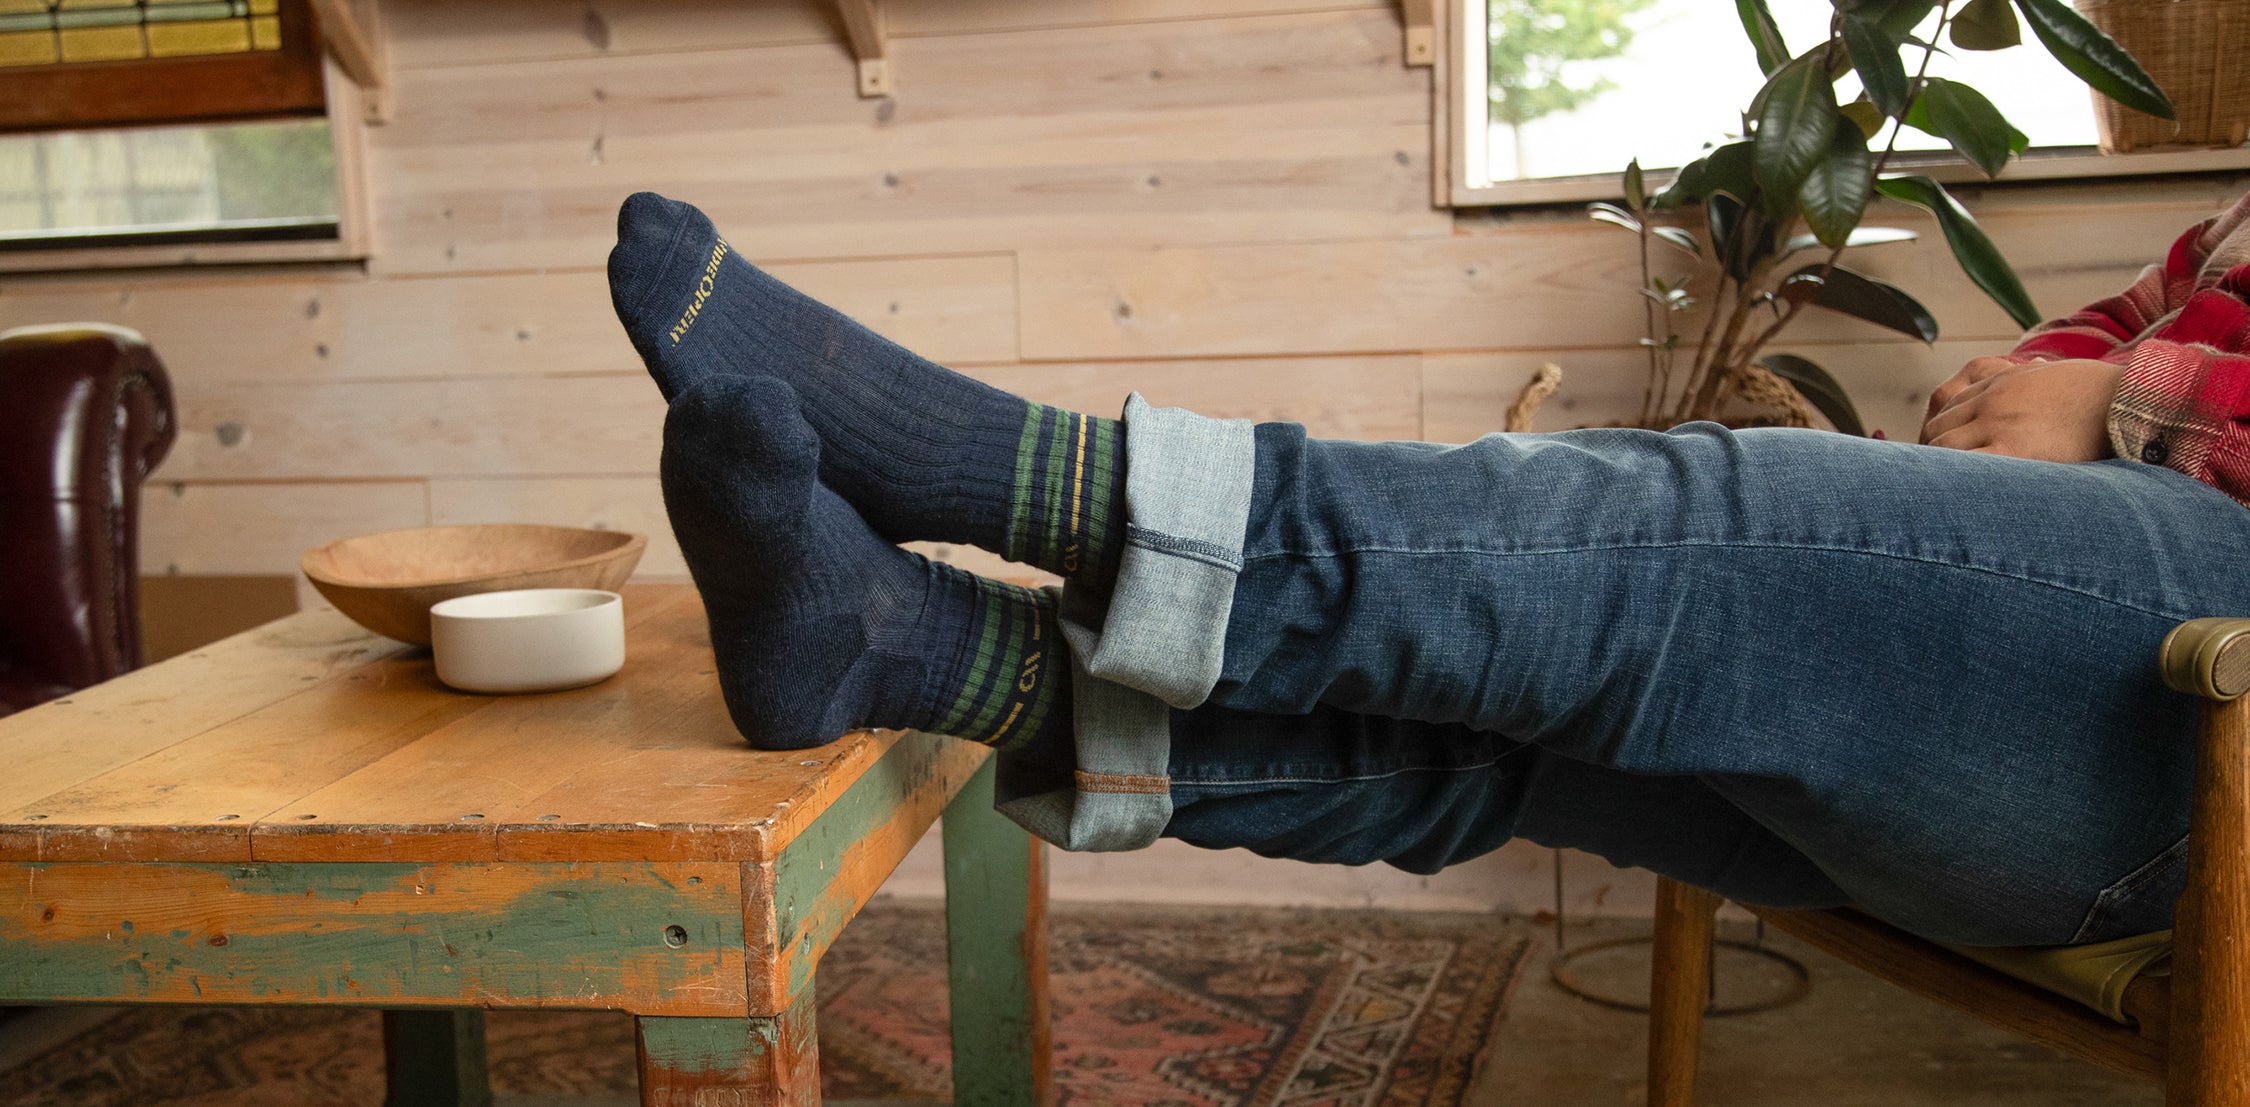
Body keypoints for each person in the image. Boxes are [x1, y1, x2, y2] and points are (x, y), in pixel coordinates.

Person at [607, 190, 2250, 951]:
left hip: (2189, 789)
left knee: (1693, 536)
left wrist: (2128, 399)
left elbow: (2138, 358)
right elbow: (2139, 302)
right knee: (1498, 746)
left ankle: (976, 461)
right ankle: (916, 652)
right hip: (2046, 771)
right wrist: (2054, 371)